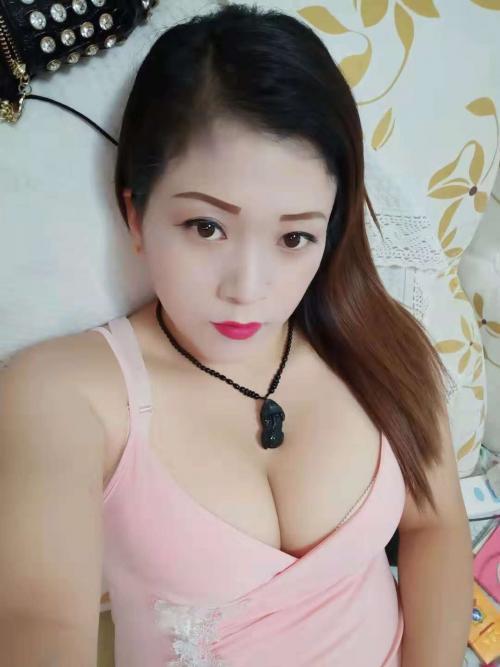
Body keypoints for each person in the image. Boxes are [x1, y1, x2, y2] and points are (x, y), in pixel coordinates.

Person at [0, 4, 474, 666]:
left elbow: (437, 525)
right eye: (207, 227)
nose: (249, 288)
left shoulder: (381, 342)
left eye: (294, 237)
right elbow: (37, 617)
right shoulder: (68, 392)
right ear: (135, 214)